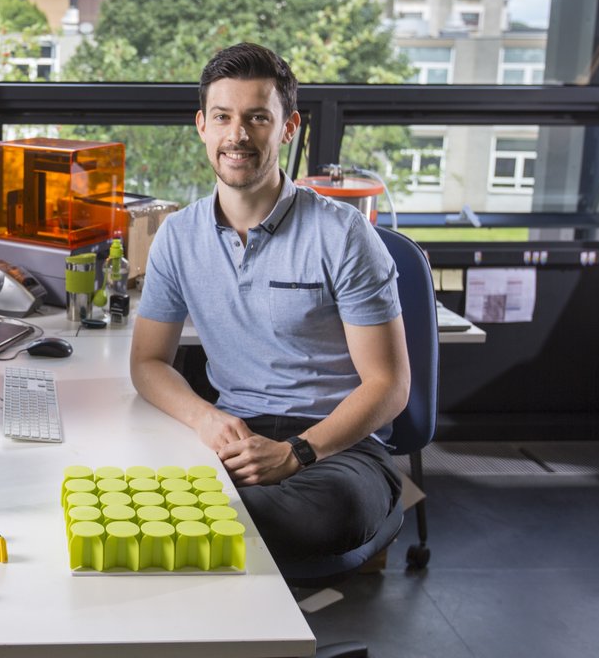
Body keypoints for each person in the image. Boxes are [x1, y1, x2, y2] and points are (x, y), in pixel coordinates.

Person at [130, 42, 411, 564]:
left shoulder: (343, 234)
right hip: (235, 435)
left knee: (328, 512)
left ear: (288, 128)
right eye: (223, 117)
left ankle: (199, 524)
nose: (237, 135)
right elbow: (147, 362)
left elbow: (389, 385)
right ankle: (209, 528)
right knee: (146, 482)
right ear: (202, 126)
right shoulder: (177, 236)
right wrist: (205, 419)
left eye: (257, 118)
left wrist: (296, 452)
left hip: (336, 445)